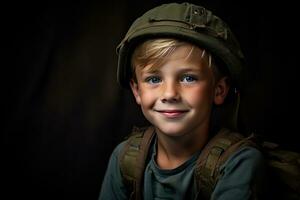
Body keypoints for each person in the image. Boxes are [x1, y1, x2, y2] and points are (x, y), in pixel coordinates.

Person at [99, 2, 266, 200]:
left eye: (188, 78)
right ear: (137, 91)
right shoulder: (125, 159)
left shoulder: (238, 163)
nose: (169, 94)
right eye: (154, 79)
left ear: (219, 90)